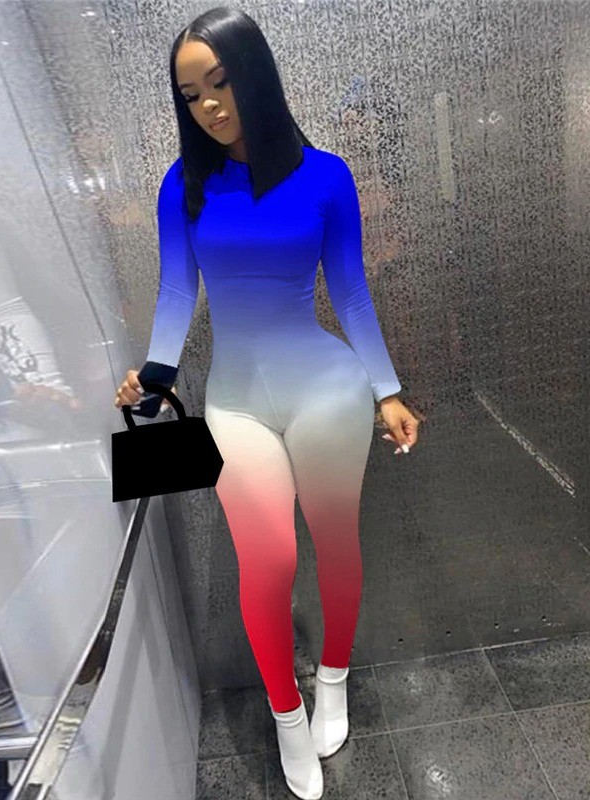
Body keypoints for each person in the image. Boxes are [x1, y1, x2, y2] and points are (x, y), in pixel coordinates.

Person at [113, 7, 420, 798]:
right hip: (236, 403)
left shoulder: (327, 176)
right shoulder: (182, 185)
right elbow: (176, 289)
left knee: (335, 541)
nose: (209, 106)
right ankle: (287, 715)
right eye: (191, 95)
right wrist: (156, 373)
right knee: (271, 559)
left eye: (219, 83)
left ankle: (334, 681)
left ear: (255, 74)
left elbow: (350, 292)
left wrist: (386, 388)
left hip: (327, 389)